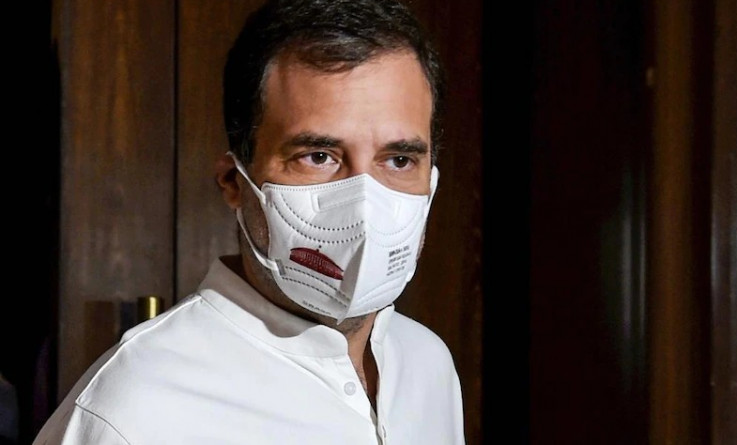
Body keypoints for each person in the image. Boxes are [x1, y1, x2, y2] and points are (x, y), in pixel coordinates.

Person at [33, 0, 465, 443]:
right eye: (318, 156)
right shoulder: (131, 412)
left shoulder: (427, 366)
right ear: (234, 182)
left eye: (398, 159)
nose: (365, 207)